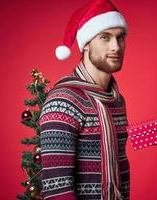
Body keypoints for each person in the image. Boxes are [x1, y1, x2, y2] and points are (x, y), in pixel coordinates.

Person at [39, 0, 130, 199]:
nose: (116, 46)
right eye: (105, 38)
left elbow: (121, 169)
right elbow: (57, 189)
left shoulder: (117, 101)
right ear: (86, 44)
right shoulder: (63, 102)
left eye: (120, 37)